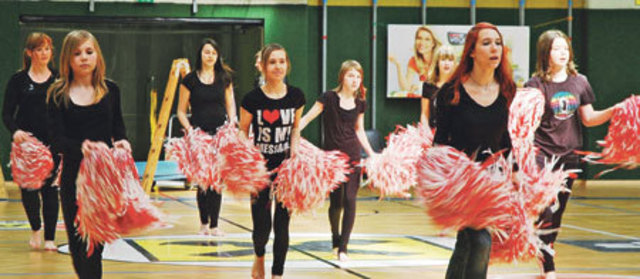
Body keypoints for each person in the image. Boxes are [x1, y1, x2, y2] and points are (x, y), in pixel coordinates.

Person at [525, 30, 618, 279]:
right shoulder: (534, 84)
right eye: (556, 48)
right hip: (542, 153)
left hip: (570, 156)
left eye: (565, 48)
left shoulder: (580, 82)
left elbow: (588, 119)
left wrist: (614, 110)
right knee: (546, 207)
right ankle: (548, 266)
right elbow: (527, 123)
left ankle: (545, 247)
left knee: (557, 213)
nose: (563, 53)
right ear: (545, 53)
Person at [433, 22, 516, 279]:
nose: (495, 48)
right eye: (486, 43)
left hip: (490, 181)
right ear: (471, 51)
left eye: (498, 42)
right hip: (459, 181)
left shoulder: (506, 90)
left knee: (467, 244)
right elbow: (440, 140)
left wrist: (516, 172)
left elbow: (504, 136)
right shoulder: (451, 92)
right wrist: (441, 180)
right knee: (480, 241)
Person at [46, 30, 130, 279]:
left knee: (96, 244)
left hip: (103, 179)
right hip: (74, 177)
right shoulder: (57, 93)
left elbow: (118, 126)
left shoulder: (110, 90)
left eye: (89, 52)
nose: (84, 57)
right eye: (77, 53)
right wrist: (82, 148)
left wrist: (123, 141)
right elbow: (56, 139)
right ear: (68, 59)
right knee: (78, 243)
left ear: (97, 55)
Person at [239, 43, 305, 279]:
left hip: (286, 169)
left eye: (282, 61)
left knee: (283, 224)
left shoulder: (297, 96)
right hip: (260, 170)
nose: (278, 66)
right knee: (261, 226)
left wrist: (295, 153)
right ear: (264, 67)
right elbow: (242, 132)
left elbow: (295, 128)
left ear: (287, 64)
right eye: (273, 62)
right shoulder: (252, 99)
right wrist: (250, 160)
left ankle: (278, 274)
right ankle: (259, 257)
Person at [299, 60, 376, 262]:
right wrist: (294, 131)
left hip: (353, 156)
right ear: (342, 76)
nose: (355, 80)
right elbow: (308, 117)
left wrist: (371, 153)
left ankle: (343, 248)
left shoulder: (360, 103)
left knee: (350, 200)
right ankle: (335, 237)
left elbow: (359, 130)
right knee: (336, 203)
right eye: (351, 75)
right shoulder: (328, 98)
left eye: (358, 77)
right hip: (332, 161)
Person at [2, 32, 60, 251]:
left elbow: (66, 110)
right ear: (29, 52)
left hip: (53, 143)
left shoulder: (58, 79)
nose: (44, 53)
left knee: (50, 190)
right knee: (29, 190)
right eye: (39, 49)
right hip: (27, 146)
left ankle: (50, 238)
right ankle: (36, 229)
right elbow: (7, 113)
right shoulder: (18, 80)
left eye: (47, 49)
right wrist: (15, 131)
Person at [177, 38, 236, 237]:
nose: (210, 55)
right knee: (203, 181)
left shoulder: (225, 78)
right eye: (206, 52)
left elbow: (231, 107)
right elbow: (181, 112)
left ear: (217, 56)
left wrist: (230, 127)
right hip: (199, 138)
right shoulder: (190, 80)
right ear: (200, 55)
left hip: (220, 136)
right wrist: (191, 132)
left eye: (213, 52)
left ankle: (215, 225)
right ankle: (203, 223)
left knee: (217, 181)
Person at [389, 26, 442, 95]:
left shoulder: (441, 58)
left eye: (427, 39)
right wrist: (398, 65)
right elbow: (406, 88)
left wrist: (420, 87)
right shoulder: (414, 60)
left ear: (433, 43)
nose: (422, 43)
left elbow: (445, 85)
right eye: (419, 38)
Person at [421, 45, 456, 126]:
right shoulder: (428, 85)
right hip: (433, 132)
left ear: (454, 63)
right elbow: (424, 115)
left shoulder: (459, 85)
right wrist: (427, 134)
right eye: (443, 59)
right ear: (437, 62)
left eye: (450, 60)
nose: (446, 63)